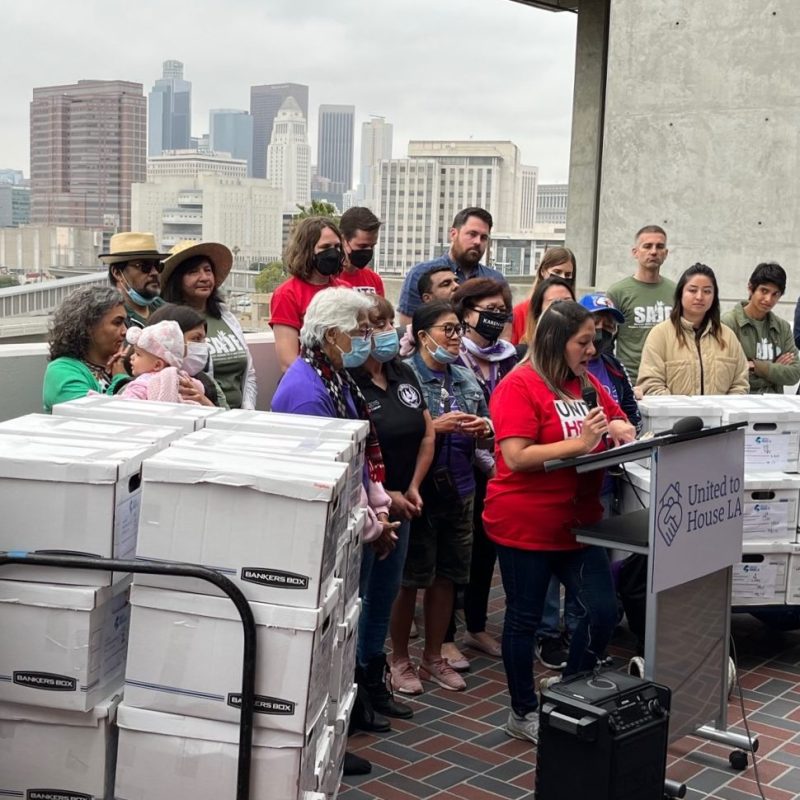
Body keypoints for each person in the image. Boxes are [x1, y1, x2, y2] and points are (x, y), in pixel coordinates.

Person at [484, 300, 635, 744]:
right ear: (555, 341)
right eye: (583, 342)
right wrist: (581, 444)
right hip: (526, 525)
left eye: (594, 341)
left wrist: (620, 429)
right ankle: (522, 710)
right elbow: (516, 456)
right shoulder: (519, 386)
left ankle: (570, 688)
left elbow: (617, 417)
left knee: (603, 610)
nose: (592, 350)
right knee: (524, 620)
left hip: (578, 523)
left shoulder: (583, 383)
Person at [270, 287, 398, 776]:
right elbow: (330, 480)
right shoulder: (306, 390)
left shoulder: (335, 376)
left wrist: (380, 510)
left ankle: (338, 734)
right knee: (323, 650)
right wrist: (372, 526)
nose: (368, 339)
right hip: (328, 536)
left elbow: (361, 460)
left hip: (355, 526)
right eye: (360, 331)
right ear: (330, 336)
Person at [390, 301, 491, 694]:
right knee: (410, 579)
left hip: (461, 489)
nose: (455, 338)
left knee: (447, 576)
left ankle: (434, 656)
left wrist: (483, 428)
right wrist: (437, 427)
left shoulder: (465, 378)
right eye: (448, 330)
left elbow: (489, 428)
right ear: (421, 336)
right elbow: (394, 433)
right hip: (420, 493)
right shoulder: (404, 377)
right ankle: (399, 658)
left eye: (459, 331)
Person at [348, 295, 435, 722]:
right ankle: (353, 693)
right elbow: (359, 454)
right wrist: (389, 494)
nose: (382, 331)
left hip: (406, 505)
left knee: (384, 599)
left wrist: (413, 487)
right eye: (370, 325)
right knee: (359, 601)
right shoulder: (348, 382)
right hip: (371, 508)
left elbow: (426, 431)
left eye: (386, 323)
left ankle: (374, 682)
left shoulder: (402, 371)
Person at [441, 278, 517, 671]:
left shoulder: (509, 357)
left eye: (501, 311)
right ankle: (445, 636)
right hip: (461, 468)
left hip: (499, 463)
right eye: (487, 310)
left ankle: (476, 624)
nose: (495, 318)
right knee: (456, 553)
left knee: (486, 551)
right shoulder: (453, 357)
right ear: (465, 313)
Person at [160, 240, 257, 409]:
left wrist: (247, 410)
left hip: (239, 418)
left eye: (208, 270)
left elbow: (249, 373)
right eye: (193, 272)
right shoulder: (171, 324)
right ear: (178, 279)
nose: (204, 277)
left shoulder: (226, 316)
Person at [637, 263, 749, 396]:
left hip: (720, 415)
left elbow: (740, 384)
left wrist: (720, 412)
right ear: (680, 293)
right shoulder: (660, 334)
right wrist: (685, 412)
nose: (699, 297)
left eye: (707, 291)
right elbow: (651, 385)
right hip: (675, 416)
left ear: (714, 297)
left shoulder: (727, 336)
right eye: (692, 290)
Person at [396, 208, 507, 325]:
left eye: (483, 237)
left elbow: (505, 331)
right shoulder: (420, 273)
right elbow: (408, 328)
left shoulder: (496, 280)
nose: (478, 242)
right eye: (472, 234)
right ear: (453, 234)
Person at [270, 216, 346, 371]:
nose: (333, 252)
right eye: (325, 247)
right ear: (307, 251)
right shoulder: (287, 294)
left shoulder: (345, 290)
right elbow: (288, 361)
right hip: (309, 383)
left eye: (337, 246)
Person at [43, 286, 130, 413]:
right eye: (117, 323)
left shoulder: (124, 364)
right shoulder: (61, 371)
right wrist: (120, 380)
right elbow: (98, 417)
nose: (125, 331)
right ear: (89, 327)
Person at [607, 225, 675, 384]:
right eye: (647, 246)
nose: (653, 251)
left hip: (667, 381)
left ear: (665, 253)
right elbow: (606, 343)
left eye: (659, 247)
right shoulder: (618, 292)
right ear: (635, 252)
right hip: (630, 381)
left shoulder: (676, 292)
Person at [721, 262, 800, 394]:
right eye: (764, 291)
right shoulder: (729, 323)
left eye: (775, 294)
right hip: (740, 403)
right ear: (750, 288)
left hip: (776, 407)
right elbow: (726, 373)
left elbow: (795, 374)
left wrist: (756, 366)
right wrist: (774, 371)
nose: (768, 299)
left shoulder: (782, 327)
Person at [147, 304, 228, 408]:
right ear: (169, 341)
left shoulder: (207, 382)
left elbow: (225, 419)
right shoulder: (140, 384)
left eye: (203, 339)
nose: (203, 346)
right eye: (196, 339)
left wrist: (205, 402)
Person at [119, 321, 205, 403]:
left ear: (157, 365)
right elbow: (200, 388)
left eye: (138, 354)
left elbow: (126, 405)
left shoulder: (142, 383)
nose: (132, 357)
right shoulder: (183, 378)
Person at [100, 232, 169, 328]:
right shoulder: (108, 319)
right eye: (144, 266)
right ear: (117, 273)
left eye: (157, 266)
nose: (155, 272)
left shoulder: (168, 312)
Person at [511, 247, 577, 346]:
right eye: (557, 272)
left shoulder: (576, 313)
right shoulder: (520, 312)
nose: (563, 278)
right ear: (543, 271)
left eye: (568, 274)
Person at [398, 265, 461, 357]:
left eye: (456, 281)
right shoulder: (404, 341)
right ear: (427, 298)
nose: (456, 286)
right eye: (446, 284)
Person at [515, 276, 576, 360]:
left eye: (568, 301)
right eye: (554, 303)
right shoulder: (521, 354)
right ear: (538, 312)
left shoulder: (580, 351)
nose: (563, 307)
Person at [337, 207, 385, 295]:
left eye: (372, 246)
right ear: (344, 240)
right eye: (363, 246)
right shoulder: (328, 279)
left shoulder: (374, 279)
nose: (368, 251)